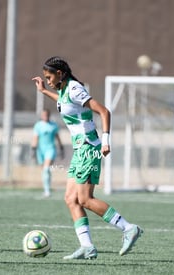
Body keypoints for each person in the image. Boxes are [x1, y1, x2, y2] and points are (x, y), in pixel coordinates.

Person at [32, 56, 143, 260]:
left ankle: (128, 228)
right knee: (70, 198)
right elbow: (64, 103)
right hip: (79, 151)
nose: (47, 81)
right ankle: (87, 246)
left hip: (89, 148)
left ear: (60, 74)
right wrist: (44, 92)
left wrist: (106, 140)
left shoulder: (74, 88)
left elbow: (104, 111)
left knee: (84, 199)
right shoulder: (65, 91)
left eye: (49, 77)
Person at [31, 109, 64, 197]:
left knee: (46, 169)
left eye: (46, 115)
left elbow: (57, 137)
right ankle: (46, 188)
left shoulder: (53, 126)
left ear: (49, 115)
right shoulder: (38, 125)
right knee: (44, 171)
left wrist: (61, 148)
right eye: (43, 115)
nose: (45, 116)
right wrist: (33, 149)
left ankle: (47, 191)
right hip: (40, 150)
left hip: (50, 149)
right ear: (41, 116)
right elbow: (35, 137)